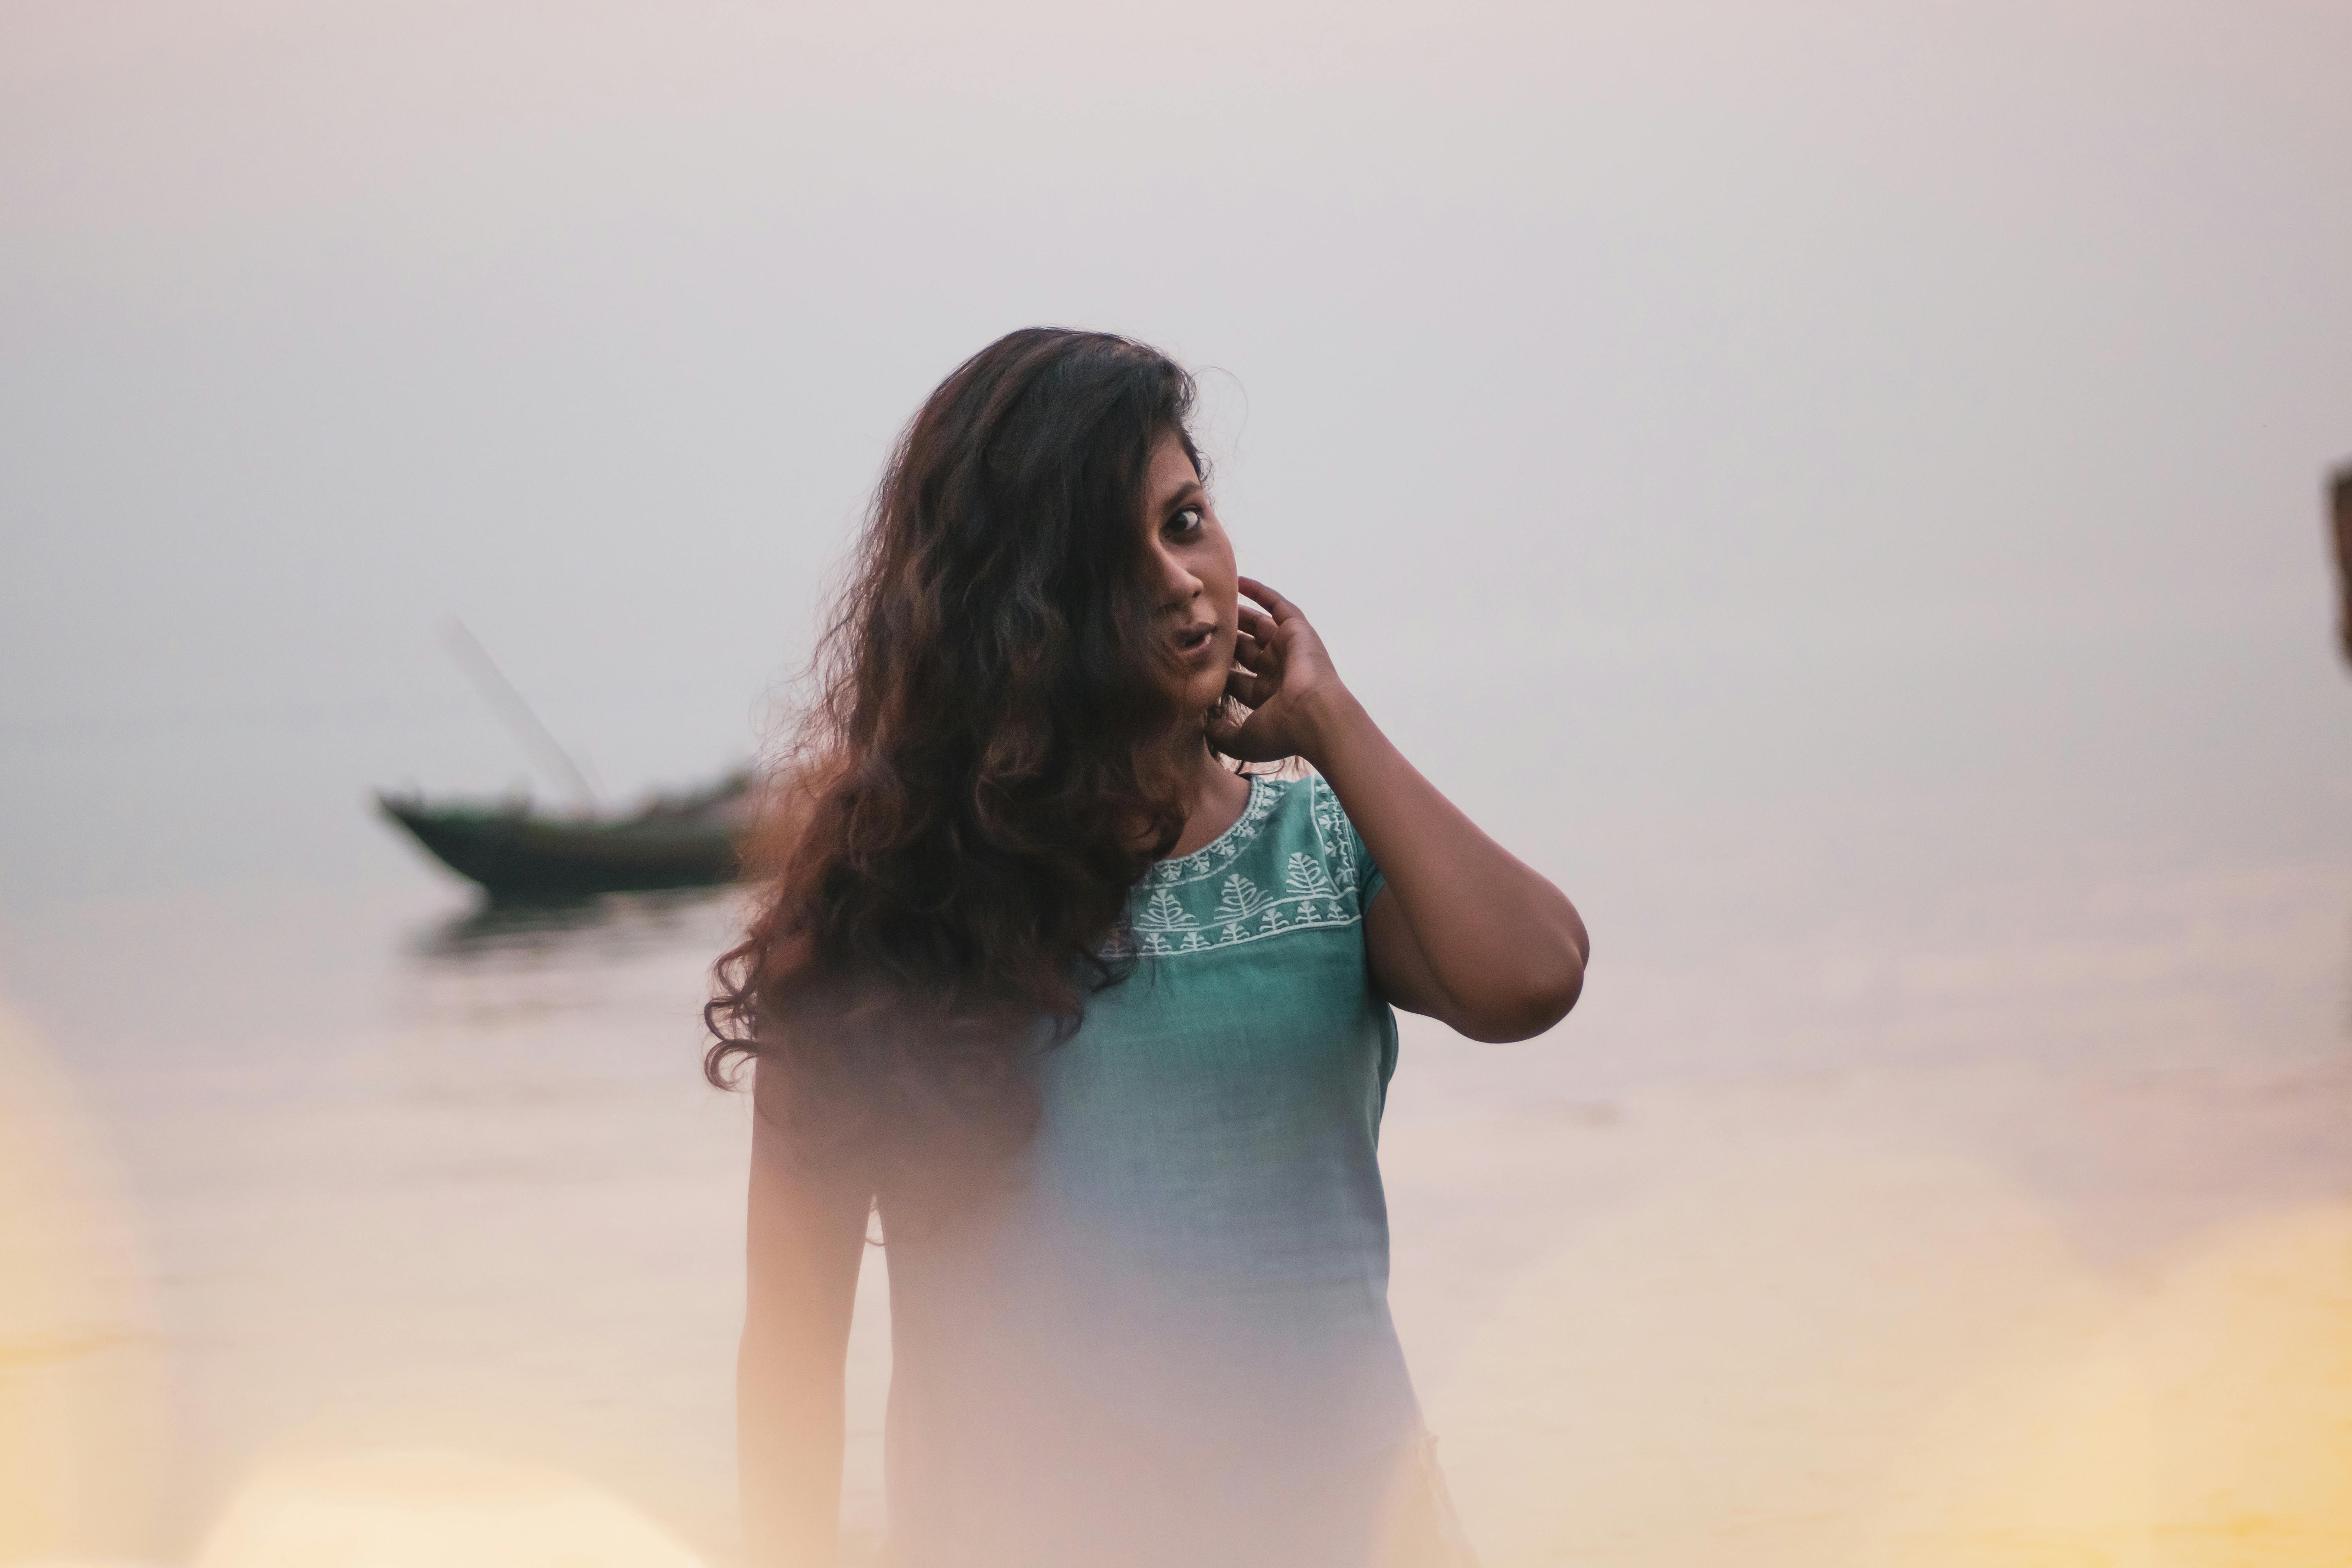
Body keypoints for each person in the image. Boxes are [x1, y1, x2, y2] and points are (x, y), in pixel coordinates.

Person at [707, 328, 1588, 1568]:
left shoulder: (1317, 851)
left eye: (1187, 521)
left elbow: (1536, 973)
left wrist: (1332, 720)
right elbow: (793, 1352)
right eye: (1114, 562)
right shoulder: (888, 915)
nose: (1183, 581)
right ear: (1021, 612)